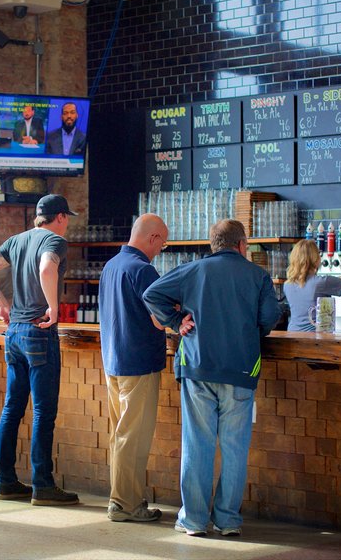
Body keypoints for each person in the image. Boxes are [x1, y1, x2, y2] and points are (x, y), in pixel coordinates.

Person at [143, 219, 280, 537]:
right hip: (241, 369)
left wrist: (177, 321)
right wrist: (250, 330)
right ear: (242, 245)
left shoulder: (193, 270)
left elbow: (152, 294)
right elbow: (270, 317)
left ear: (213, 245)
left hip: (197, 367)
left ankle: (193, 520)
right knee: (235, 448)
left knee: (197, 444)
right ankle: (228, 520)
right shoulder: (257, 276)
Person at [0, 194, 80, 506]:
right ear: (60, 217)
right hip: (38, 330)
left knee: (12, 409)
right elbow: (48, 269)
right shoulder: (55, 241)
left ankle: (6, 481)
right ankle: (43, 485)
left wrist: (3, 305)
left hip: (15, 333)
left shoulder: (16, 240)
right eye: (67, 217)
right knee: (43, 411)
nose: (67, 223)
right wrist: (53, 306)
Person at [99, 214, 191, 523]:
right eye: (162, 244)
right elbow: (158, 318)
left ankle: (121, 498)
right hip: (138, 363)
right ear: (152, 239)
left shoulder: (111, 266)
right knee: (133, 437)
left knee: (120, 434)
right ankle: (125, 504)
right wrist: (178, 315)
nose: (160, 250)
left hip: (113, 360)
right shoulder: (144, 270)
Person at [283, 239, 341, 331]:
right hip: (315, 339)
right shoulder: (322, 282)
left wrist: (337, 280)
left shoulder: (287, 285)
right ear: (315, 258)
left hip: (292, 334)